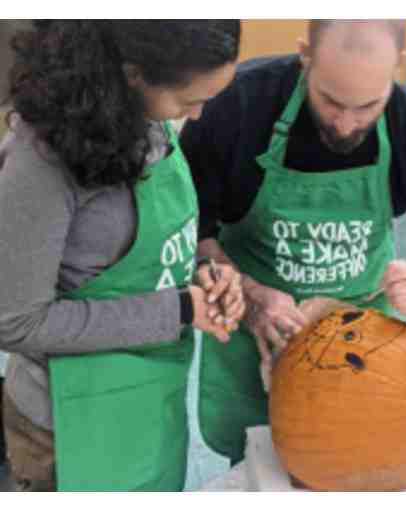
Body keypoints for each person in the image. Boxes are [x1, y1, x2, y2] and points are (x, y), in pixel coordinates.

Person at [180, 20, 406, 465]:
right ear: (306, 55)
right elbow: (190, 231)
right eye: (331, 101)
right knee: (259, 470)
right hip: (253, 336)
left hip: (359, 354)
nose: (344, 124)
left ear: (398, 66)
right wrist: (248, 294)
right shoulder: (236, 106)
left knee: (352, 460)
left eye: (366, 107)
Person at [0, 20, 245, 491]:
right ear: (133, 75)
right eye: (187, 101)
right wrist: (179, 308)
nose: (194, 117)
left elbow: (135, 245)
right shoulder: (40, 163)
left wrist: (205, 272)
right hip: (65, 428)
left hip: (151, 402)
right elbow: (15, 322)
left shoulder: (147, 118)